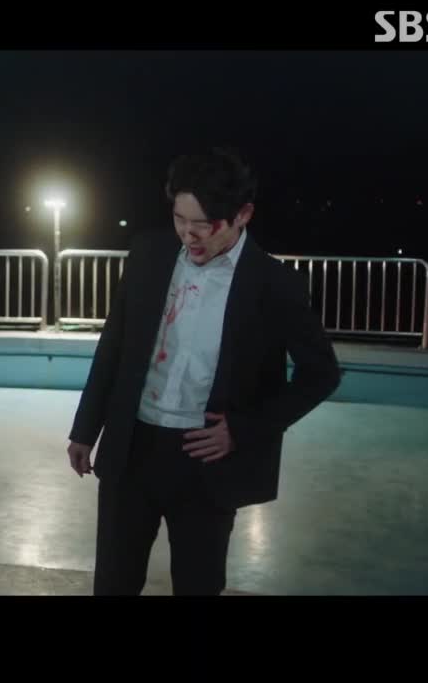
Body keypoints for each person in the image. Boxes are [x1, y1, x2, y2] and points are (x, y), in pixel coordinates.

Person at [66, 148, 341, 596]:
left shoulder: (274, 283)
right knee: (113, 583)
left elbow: (321, 374)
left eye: (205, 224)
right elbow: (115, 344)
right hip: (132, 448)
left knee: (198, 584)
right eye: (180, 219)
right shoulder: (149, 253)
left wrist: (243, 430)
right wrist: (85, 429)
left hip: (206, 462)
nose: (189, 235)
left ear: (243, 215)